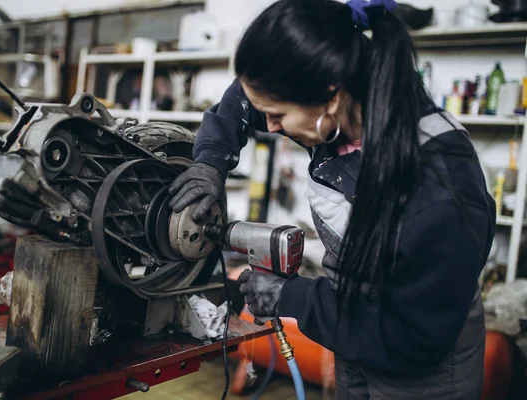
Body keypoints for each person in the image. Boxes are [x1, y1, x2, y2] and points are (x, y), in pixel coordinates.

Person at [168, 0, 495, 398]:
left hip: (421, 362)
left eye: (278, 116)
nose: (269, 126)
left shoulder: (438, 181)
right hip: (353, 335)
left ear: (331, 98)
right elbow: (242, 100)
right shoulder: (340, 111)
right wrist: (210, 163)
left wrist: (296, 297)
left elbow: (414, 335)